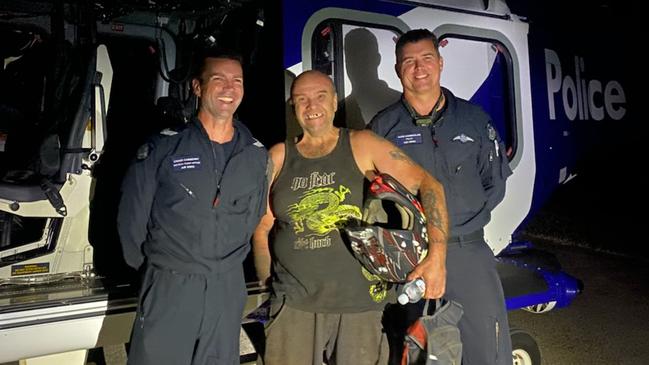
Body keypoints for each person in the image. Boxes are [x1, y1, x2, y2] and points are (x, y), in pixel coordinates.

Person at [252, 70, 449, 365]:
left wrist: (437, 258)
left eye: (320, 96)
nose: (311, 105)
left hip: (361, 307)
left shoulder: (361, 144)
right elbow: (262, 227)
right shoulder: (279, 156)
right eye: (301, 99)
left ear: (334, 103)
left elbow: (428, 184)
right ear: (293, 106)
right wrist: (269, 286)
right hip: (293, 306)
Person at [369, 29, 513, 365]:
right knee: (417, 351)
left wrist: (461, 224)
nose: (419, 69)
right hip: (412, 257)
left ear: (440, 63)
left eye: (426, 59)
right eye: (409, 62)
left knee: (486, 351)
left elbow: (495, 183)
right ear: (397, 69)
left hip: (468, 252)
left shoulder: (475, 120)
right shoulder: (382, 127)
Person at [117, 50, 268, 365]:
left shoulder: (254, 155)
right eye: (219, 79)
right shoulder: (164, 148)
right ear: (197, 87)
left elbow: (253, 216)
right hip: (170, 283)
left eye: (236, 81)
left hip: (226, 287)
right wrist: (159, 272)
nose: (229, 88)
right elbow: (131, 223)